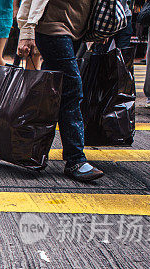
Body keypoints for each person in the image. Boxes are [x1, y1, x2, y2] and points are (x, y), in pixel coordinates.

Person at [17, 0, 104, 182]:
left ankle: (33, 152)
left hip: (78, 29)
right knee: (72, 90)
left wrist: (101, 27)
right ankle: (75, 159)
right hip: (51, 27)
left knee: (53, 93)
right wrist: (26, 33)